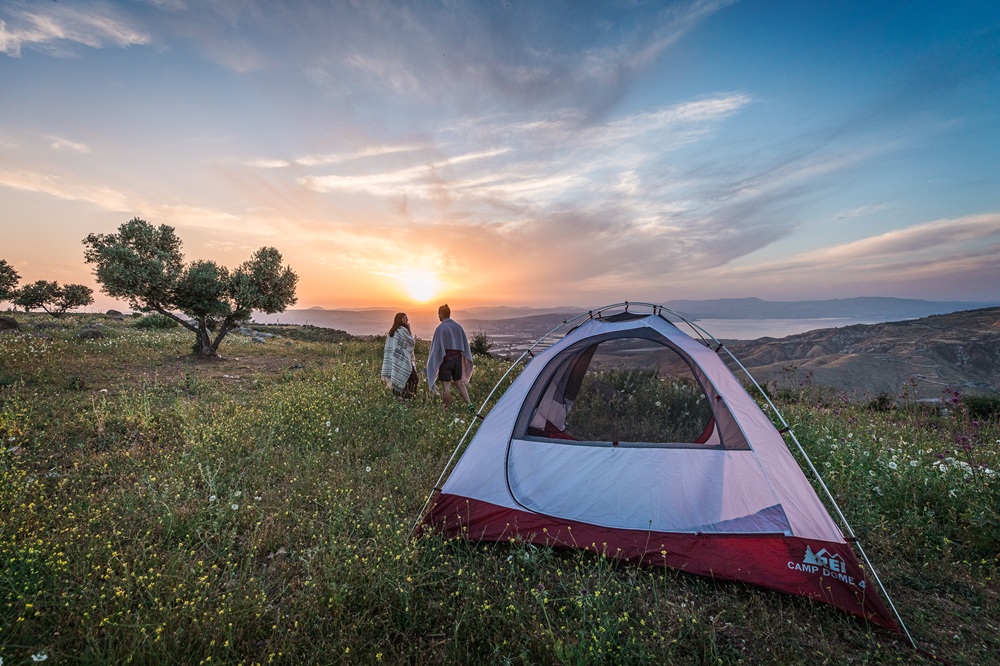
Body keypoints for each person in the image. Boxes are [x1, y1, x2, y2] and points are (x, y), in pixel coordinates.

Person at [426, 303, 474, 410]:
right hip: (457, 360)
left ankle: (445, 409)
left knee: (446, 387)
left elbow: (436, 349)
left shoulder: (440, 328)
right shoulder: (458, 327)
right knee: (460, 383)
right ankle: (469, 404)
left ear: (442, 315)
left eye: (439, 314)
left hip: (446, 361)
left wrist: (432, 364)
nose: (438, 316)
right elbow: (464, 345)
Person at [381, 312, 418, 400]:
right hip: (404, 360)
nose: (407, 320)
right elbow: (411, 342)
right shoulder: (402, 330)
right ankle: (407, 398)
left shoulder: (392, 331)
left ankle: (398, 398)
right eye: (405, 318)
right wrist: (409, 329)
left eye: (407, 318)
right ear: (399, 320)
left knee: (399, 379)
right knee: (414, 380)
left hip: (396, 360)